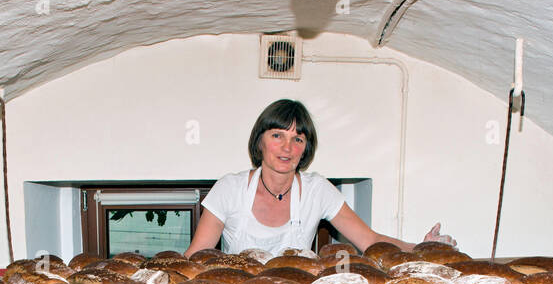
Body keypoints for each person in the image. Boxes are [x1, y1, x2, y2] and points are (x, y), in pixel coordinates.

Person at [184, 99, 455, 259]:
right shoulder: (230, 189)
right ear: (260, 142)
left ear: (305, 150)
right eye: (277, 135)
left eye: (297, 139)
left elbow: (369, 240)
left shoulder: (317, 191)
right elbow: (195, 259)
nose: (287, 148)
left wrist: (421, 248)